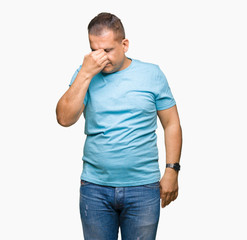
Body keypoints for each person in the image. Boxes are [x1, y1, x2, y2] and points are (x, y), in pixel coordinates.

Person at [56, 12, 182, 240]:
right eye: (94, 49)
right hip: (95, 188)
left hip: (143, 188)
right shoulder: (85, 74)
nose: (100, 58)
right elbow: (64, 119)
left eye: (107, 50)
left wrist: (172, 170)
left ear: (124, 44)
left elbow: (171, 123)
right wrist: (85, 73)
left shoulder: (151, 74)